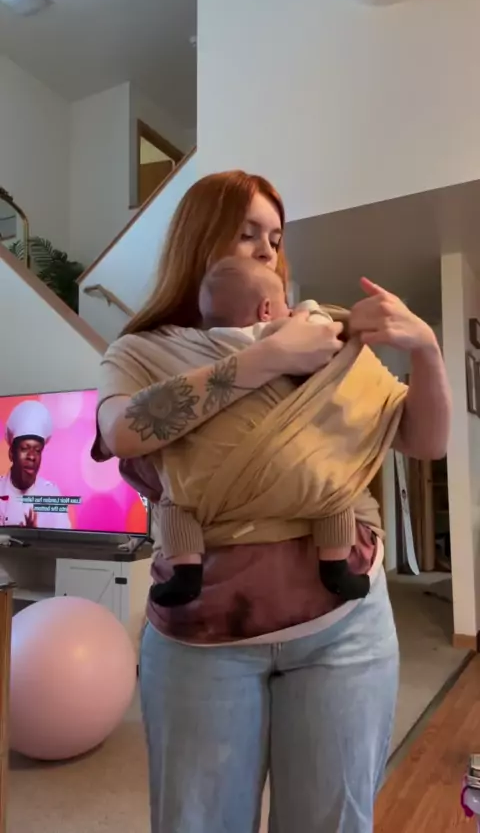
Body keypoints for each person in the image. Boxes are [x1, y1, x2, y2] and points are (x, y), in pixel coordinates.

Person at [93, 170, 451, 833]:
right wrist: (266, 356)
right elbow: (120, 431)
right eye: (247, 232)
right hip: (203, 629)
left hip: (343, 623)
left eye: (276, 238)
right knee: (198, 822)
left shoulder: (324, 334)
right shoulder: (142, 350)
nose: (266, 249)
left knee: (334, 821)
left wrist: (425, 349)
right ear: (199, 238)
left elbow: (425, 441)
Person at [152, 256, 369, 608]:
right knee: (336, 490)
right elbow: (323, 334)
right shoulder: (277, 334)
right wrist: (306, 309)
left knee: (173, 502)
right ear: (267, 309)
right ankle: (335, 567)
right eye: (285, 302)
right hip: (291, 471)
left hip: (207, 483)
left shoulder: (194, 349)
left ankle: (187, 574)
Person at [0, 400, 71, 530]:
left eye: (37, 450)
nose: (32, 456)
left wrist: (36, 535)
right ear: (11, 453)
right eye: (25, 448)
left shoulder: (52, 494)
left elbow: (65, 539)